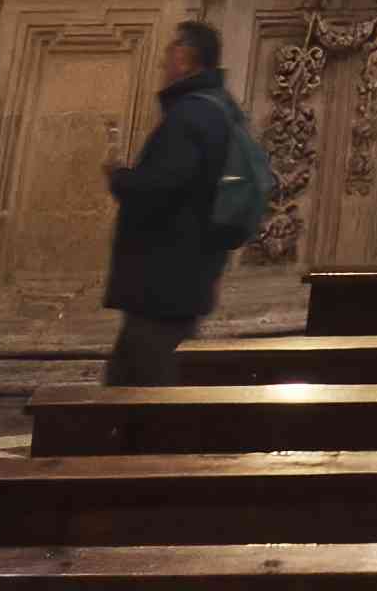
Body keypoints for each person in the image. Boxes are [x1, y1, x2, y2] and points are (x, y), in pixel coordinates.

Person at [99, 20, 270, 387]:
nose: (163, 63)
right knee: (132, 379)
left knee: (149, 386)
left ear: (184, 56)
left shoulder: (189, 117)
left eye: (169, 52)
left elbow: (161, 187)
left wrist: (120, 177)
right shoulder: (220, 110)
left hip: (162, 279)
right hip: (186, 275)